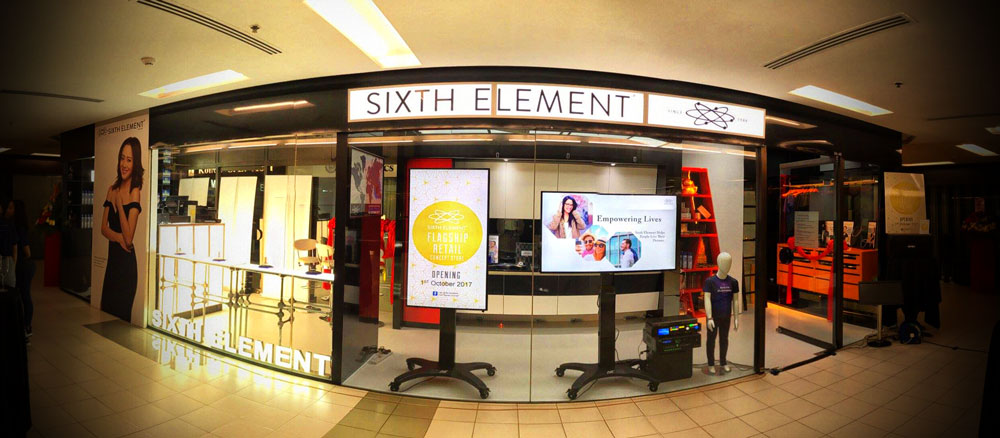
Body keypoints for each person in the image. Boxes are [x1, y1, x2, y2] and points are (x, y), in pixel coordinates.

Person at [100, 137, 144, 322]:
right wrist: (118, 238)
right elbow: (103, 228)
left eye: (129, 160)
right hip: (113, 264)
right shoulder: (111, 189)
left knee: (121, 321)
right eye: (122, 158)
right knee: (105, 312)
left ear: (135, 163)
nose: (124, 164)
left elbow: (129, 237)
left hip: (127, 267)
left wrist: (119, 202)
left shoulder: (135, 192)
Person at [9, 201, 35, 337]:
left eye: (11, 208)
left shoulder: (19, 228)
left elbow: (27, 252)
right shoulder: (16, 227)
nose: (9, 210)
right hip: (22, 265)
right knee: (23, 295)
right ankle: (25, 325)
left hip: (22, 266)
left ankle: (27, 326)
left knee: (24, 295)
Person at [0, 202, 15, 291]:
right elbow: (14, 245)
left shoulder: (9, 224)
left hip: (7, 257)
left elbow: (14, 245)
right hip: (7, 258)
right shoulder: (9, 224)